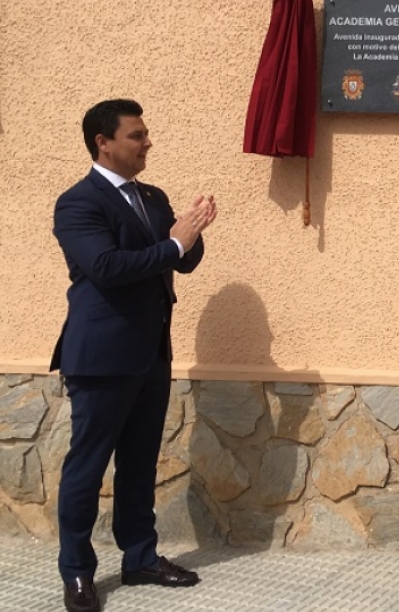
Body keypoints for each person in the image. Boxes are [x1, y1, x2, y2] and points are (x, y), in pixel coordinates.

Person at [52, 99, 217, 612]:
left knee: (140, 463)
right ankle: (77, 572)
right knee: (87, 467)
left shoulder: (152, 196)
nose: (148, 143)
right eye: (136, 135)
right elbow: (106, 267)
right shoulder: (78, 203)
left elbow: (181, 262)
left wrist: (191, 232)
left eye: (146, 134)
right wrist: (174, 244)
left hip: (151, 352)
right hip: (101, 357)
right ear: (103, 143)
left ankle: (140, 557)